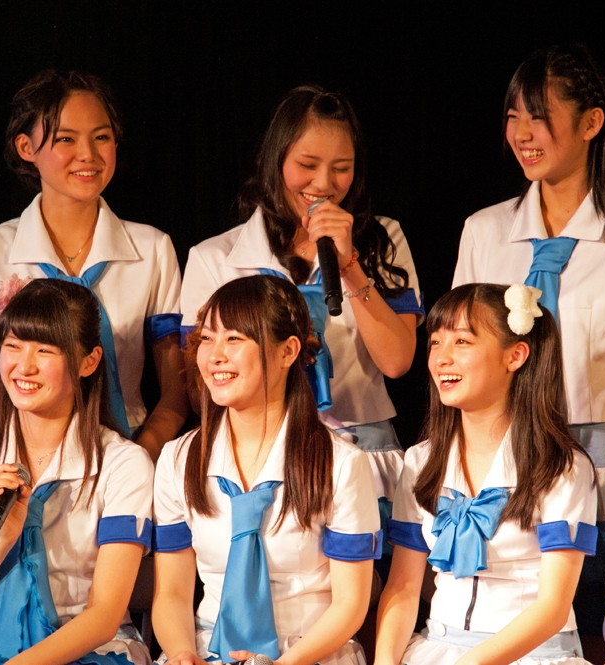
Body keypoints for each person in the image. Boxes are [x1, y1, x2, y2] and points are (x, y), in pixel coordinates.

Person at [451, 45, 605, 623]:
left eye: (539, 117)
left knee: (600, 625)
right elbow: (458, 355)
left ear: (591, 122)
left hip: (600, 467)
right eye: (513, 117)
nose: (522, 134)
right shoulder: (483, 231)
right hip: (498, 469)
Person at [180, 85, 423, 538]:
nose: (324, 184)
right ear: (276, 161)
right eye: (307, 166)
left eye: (341, 168)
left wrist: (350, 266)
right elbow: (201, 386)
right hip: (258, 458)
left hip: (365, 450)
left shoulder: (382, 240)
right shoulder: (216, 258)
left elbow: (397, 360)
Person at [0, 69, 185, 462]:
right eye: (66, 139)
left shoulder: (153, 249)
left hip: (125, 457)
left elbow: (176, 393)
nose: (88, 154)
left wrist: (134, 462)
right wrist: (14, 461)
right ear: (26, 147)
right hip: (18, 467)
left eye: (101, 137)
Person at [0, 279, 154, 665]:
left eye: (44, 350)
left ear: (89, 361)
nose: (24, 366)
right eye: (13, 346)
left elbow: (105, 614)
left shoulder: (123, 463)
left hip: (91, 647)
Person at [153, 275, 381, 665]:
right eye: (207, 338)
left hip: (307, 652)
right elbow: (171, 592)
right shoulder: (179, 458)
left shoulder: (341, 463)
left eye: (234, 339)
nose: (215, 355)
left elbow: (350, 604)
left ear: (288, 351)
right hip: (207, 649)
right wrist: (181, 653)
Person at [375, 283, 596, 665]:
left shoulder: (560, 467)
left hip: (531, 655)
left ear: (515, 355)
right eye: (436, 342)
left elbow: (553, 607)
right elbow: (403, 587)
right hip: (437, 647)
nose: (442, 358)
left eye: (461, 342)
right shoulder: (421, 461)